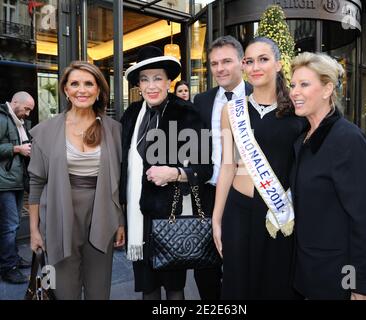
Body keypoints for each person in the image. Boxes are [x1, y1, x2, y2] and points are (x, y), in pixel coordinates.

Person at [212, 37, 305, 300]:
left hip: (278, 212)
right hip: (238, 210)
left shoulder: (297, 112)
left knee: (276, 285)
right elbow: (227, 166)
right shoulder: (231, 111)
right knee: (237, 285)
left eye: (263, 59)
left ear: (278, 64)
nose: (255, 66)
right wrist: (217, 219)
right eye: (249, 61)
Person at [120, 46, 212, 300]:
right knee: (147, 288)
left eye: (157, 78)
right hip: (137, 216)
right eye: (144, 79)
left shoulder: (187, 113)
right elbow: (122, 168)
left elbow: (205, 169)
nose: (151, 86)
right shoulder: (130, 115)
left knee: (174, 288)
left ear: (169, 81)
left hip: (171, 214)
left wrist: (174, 173)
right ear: (138, 84)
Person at [28, 61, 125, 300]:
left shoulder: (113, 129)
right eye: (75, 84)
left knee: (99, 290)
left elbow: (120, 181)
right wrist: (33, 230)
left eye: (88, 83)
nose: (82, 90)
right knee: (63, 291)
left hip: (102, 214)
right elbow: (36, 183)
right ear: (66, 90)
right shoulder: (46, 130)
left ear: (99, 90)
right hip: (58, 215)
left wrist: (120, 221)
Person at [289, 52, 366, 300]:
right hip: (304, 274)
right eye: (293, 85)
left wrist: (360, 286)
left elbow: (365, 220)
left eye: (304, 84)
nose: (294, 92)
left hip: (337, 278)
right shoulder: (303, 139)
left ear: (327, 89)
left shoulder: (347, 140)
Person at [192, 35, 252, 300]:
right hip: (207, 192)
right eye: (214, 63)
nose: (220, 68)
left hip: (245, 194)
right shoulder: (201, 100)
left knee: (243, 265)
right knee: (205, 268)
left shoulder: (258, 95)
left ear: (242, 62)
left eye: (226, 61)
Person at [0, 91, 35, 284]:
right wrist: (17, 149)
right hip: (4, 182)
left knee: (10, 225)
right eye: (27, 109)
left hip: (15, 180)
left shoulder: (16, 122)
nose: (28, 113)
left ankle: (11, 258)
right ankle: (8, 267)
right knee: (11, 225)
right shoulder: (2, 119)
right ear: (15, 102)